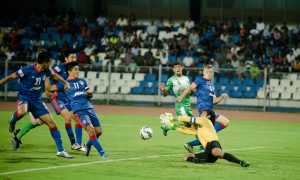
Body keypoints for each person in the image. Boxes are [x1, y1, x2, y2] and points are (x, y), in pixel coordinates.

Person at [0, 49, 73, 158]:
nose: (50, 65)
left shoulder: (47, 71)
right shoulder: (27, 70)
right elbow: (11, 77)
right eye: (49, 62)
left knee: (51, 123)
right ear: (45, 63)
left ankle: (60, 151)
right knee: (22, 112)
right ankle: (13, 120)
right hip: (24, 97)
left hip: (37, 101)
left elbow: (55, 76)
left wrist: (65, 82)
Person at [49, 61, 108, 158]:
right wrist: (48, 79)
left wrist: (90, 93)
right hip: (79, 111)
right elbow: (50, 89)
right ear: (69, 71)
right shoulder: (65, 84)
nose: (78, 71)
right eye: (76, 69)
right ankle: (103, 153)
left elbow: (90, 94)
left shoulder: (82, 81)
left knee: (99, 131)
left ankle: (88, 144)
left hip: (89, 108)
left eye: (78, 69)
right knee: (90, 130)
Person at [159, 110, 250, 167]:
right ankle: (197, 160)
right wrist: (172, 126)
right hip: (207, 152)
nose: (201, 113)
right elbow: (186, 130)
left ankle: (241, 162)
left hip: (213, 143)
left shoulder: (206, 121)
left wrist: (173, 118)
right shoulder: (199, 130)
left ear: (208, 116)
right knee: (186, 157)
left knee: (217, 152)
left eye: (204, 113)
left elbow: (189, 119)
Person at [177, 64, 230, 153]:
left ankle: (192, 144)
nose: (209, 73)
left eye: (210, 72)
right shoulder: (200, 80)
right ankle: (198, 146)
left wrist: (221, 96)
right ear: (203, 72)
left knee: (223, 123)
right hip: (204, 112)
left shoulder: (212, 86)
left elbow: (214, 101)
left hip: (210, 112)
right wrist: (181, 97)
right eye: (207, 72)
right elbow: (190, 88)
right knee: (223, 123)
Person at [159, 62, 201, 152]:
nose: (177, 68)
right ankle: (202, 148)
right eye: (175, 67)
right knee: (195, 125)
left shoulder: (186, 78)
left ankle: (168, 126)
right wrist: (163, 90)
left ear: (182, 68)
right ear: (173, 69)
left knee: (190, 127)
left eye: (179, 67)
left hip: (187, 105)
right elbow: (165, 94)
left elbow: (190, 90)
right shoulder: (171, 80)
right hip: (181, 106)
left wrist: (194, 90)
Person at [49, 49, 83, 151]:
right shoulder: (60, 68)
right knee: (67, 117)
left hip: (67, 98)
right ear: (65, 59)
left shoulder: (74, 69)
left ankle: (78, 144)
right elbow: (49, 74)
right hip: (57, 97)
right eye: (71, 57)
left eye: (75, 57)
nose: (74, 59)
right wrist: (48, 88)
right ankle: (73, 143)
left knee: (79, 119)